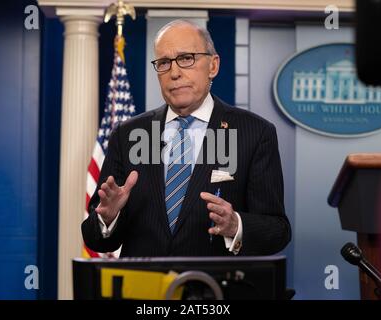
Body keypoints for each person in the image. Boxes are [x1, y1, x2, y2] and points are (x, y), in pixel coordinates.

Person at [82, 19, 291, 257]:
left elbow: (278, 230)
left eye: (186, 59)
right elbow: (94, 238)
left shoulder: (255, 133)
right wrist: (107, 217)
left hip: (215, 288)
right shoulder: (127, 135)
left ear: (213, 66)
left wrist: (236, 225)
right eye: (164, 63)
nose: (174, 73)